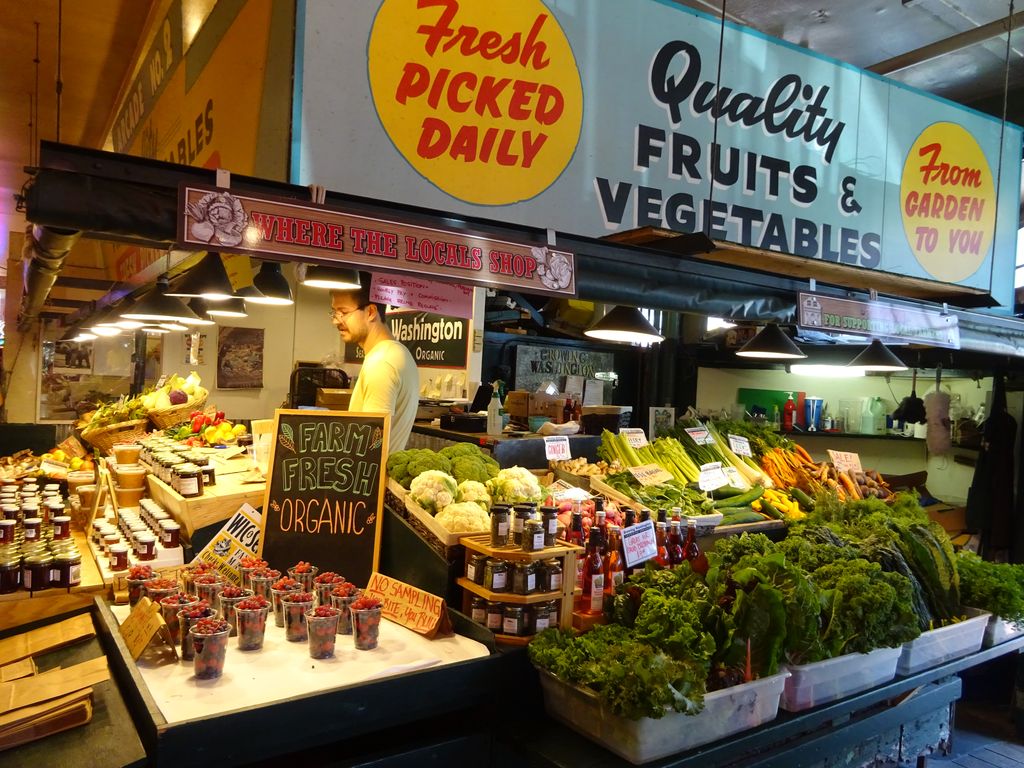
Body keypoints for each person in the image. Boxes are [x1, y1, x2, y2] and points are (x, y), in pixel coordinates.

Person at [330, 284, 419, 453]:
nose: (336, 320)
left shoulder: (381, 363)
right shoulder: (397, 353)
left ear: (371, 312)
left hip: (371, 478)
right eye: (334, 312)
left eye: (343, 312)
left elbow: (371, 446)